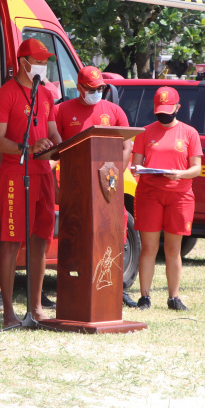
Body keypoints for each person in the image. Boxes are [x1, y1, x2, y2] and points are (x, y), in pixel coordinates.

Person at [0, 38, 61, 327]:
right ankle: (8, 311)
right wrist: (27, 149)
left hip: (44, 174)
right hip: (16, 175)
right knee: (11, 240)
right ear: (23, 62)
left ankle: (36, 306)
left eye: (45, 62)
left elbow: (54, 135)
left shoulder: (46, 95)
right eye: (39, 61)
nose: (43, 66)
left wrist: (60, 151)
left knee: (41, 239)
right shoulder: (4, 95)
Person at [54, 65, 138, 308]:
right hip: (75, 186)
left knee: (114, 234)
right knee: (75, 235)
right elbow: (52, 148)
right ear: (79, 87)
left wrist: (111, 177)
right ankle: (74, 287)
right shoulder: (62, 111)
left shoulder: (115, 111)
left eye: (100, 88)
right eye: (91, 89)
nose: (96, 92)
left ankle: (117, 287)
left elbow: (126, 147)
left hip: (108, 188)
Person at [129, 87, 202, 310]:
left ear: (178, 108)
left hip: (179, 195)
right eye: (160, 110)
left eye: (168, 110)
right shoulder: (145, 132)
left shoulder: (189, 133)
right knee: (149, 248)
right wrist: (139, 169)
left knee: (173, 249)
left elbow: (197, 168)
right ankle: (144, 296)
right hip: (149, 194)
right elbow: (136, 166)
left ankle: (174, 297)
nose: (164, 114)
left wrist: (179, 174)